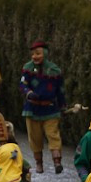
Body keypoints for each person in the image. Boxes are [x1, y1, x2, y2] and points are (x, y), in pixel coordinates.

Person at [19, 39, 65, 174]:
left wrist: (62, 105)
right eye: (33, 54)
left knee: (53, 135)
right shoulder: (27, 69)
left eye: (38, 53)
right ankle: (39, 163)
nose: (35, 57)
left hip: (50, 108)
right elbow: (23, 84)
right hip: (32, 109)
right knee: (35, 137)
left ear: (44, 53)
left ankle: (57, 162)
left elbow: (60, 90)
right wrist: (29, 93)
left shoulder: (55, 70)